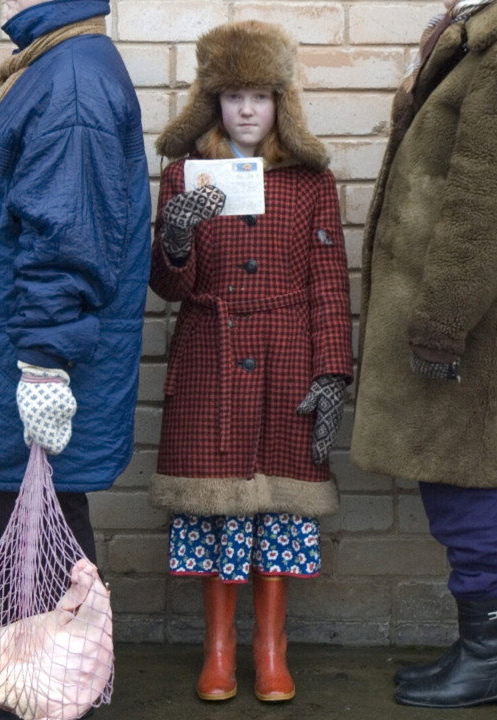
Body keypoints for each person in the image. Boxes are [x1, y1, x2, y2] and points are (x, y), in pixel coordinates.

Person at [0, 0, 150, 718]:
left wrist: (45, 364)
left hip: (21, 356)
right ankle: (29, 683)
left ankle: (53, 695)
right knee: (11, 521)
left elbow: (65, 236)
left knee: (42, 533)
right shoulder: (49, 65)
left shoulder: (69, 80)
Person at [350, 0, 497, 709]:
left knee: (465, 486)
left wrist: (443, 323)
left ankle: (493, 659)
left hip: (462, 322)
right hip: (442, 315)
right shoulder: (477, 43)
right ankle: (484, 652)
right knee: (459, 488)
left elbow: (487, 206)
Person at [147, 20, 353, 704]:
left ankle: (271, 650)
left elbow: (329, 281)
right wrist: (176, 234)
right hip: (211, 352)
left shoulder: (312, 180)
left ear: (280, 102)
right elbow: (172, 288)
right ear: (210, 101)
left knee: (280, 512)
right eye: (231, 95)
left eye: (260, 95)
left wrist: (332, 373)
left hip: (289, 356)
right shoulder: (183, 174)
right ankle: (216, 652)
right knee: (216, 511)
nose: (245, 109)